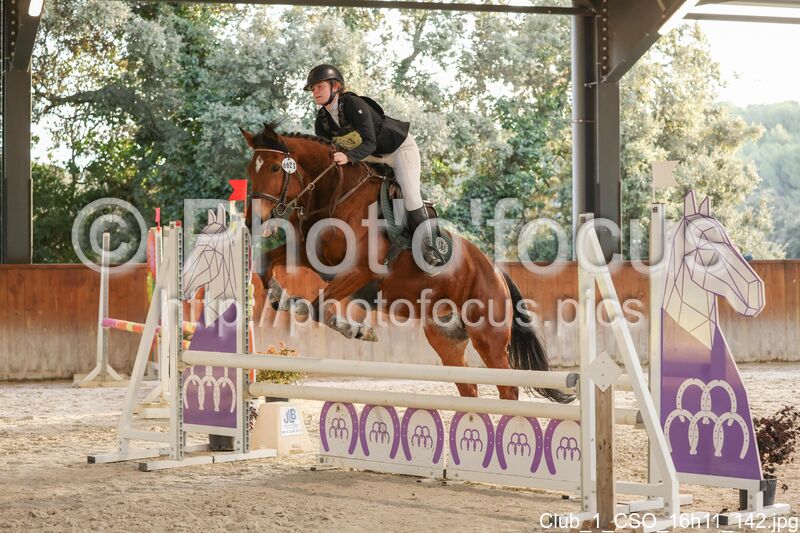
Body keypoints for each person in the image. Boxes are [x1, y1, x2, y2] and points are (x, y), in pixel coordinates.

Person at [305, 64, 446, 269]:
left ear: (335, 86)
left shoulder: (353, 104)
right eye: (312, 89)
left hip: (399, 150)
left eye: (319, 86)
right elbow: (329, 153)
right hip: (371, 157)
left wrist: (348, 156)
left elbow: (369, 142)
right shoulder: (322, 121)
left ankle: (430, 247)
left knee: (410, 195)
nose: (315, 92)